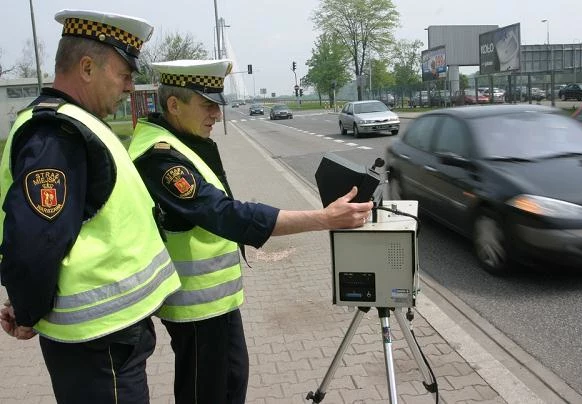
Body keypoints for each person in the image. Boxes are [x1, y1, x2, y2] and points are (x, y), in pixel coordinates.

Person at [127, 59, 374, 404]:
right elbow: (226, 215)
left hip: (215, 301)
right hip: (195, 307)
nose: (216, 114)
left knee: (232, 380)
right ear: (173, 105)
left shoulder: (181, 141)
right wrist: (324, 219)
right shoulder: (160, 157)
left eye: (217, 105)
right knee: (205, 393)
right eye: (207, 105)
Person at [0, 9, 181, 404]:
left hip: (108, 339)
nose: (130, 88)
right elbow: (34, 243)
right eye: (124, 75)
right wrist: (27, 310)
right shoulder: (56, 134)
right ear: (86, 67)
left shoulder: (79, 124)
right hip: (98, 345)